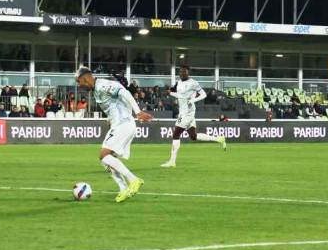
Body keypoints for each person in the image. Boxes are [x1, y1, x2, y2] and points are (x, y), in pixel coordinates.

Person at [74, 67, 152, 203]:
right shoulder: (96, 90)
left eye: (79, 82)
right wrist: (110, 119)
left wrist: (138, 111)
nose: (79, 85)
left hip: (124, 124)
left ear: (85, 78)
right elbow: (113, 105)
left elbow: (124, 93)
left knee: (103, 155)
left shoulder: (103, 85)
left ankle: (134, 180)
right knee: (106, 161)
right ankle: (123, 188)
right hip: (117, 125)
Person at [161, 65, 227, 168]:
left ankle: (172, 162)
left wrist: (192, 100)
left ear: (188, 73)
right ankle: (219, 139)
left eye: (184, 72)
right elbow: (181, 96)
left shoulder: (193, 83)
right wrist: (171, 93)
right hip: (183, 111)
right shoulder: (179, 84)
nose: (182, 74)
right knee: (193, 136)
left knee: (176, 134)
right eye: (181, 72)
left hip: (187, 112)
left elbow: (204, 95)